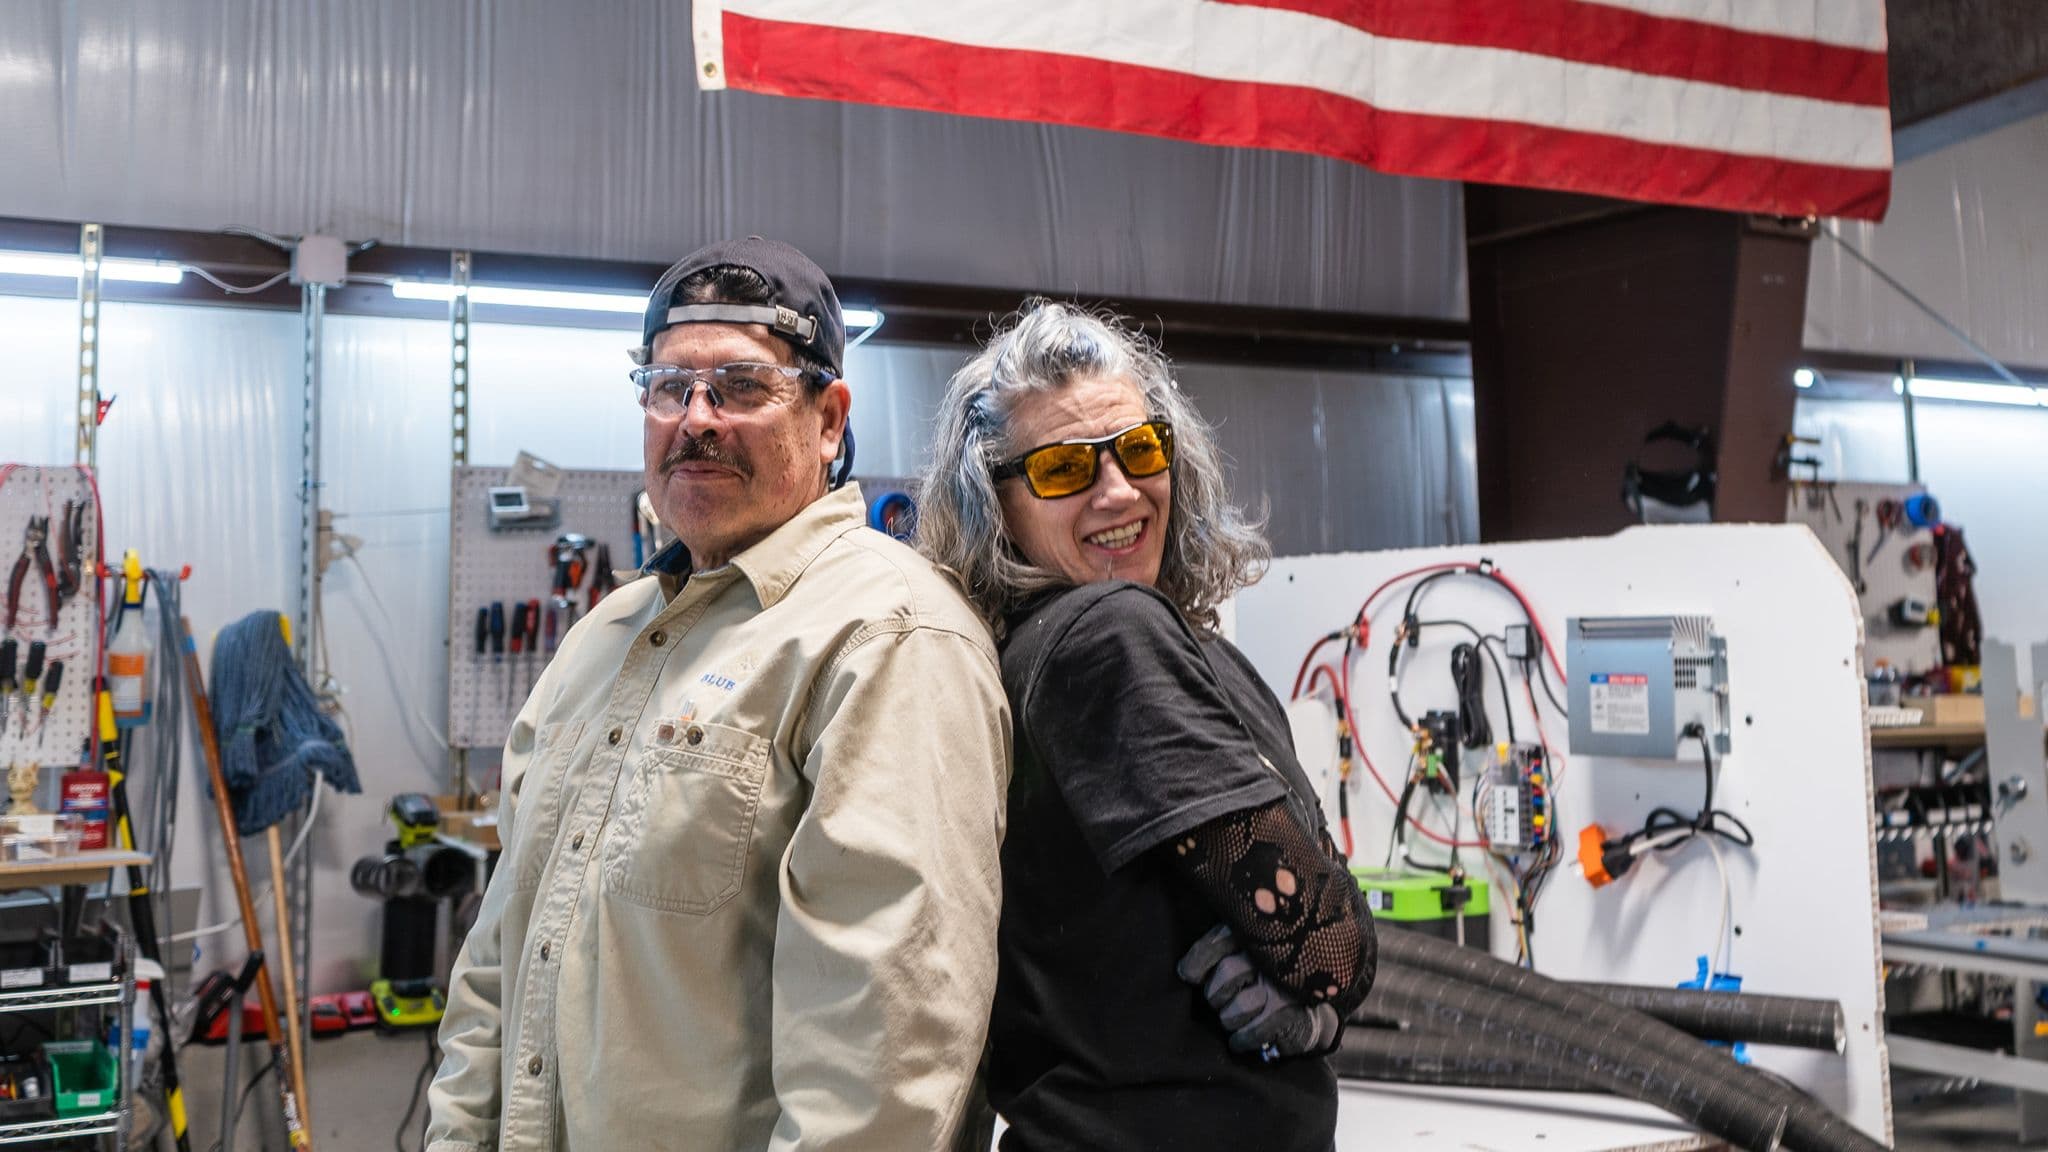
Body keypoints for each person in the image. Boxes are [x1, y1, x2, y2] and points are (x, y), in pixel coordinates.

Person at [427, 238, 1011, 1151]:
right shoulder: (602, 638)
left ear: (828, 420)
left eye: (741, 387)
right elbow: (498, 961)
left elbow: (882, 1062)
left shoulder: (888, 638)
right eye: (669, 386)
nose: (696, 418)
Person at [917, 301, 1376, 1152]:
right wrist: (1321, 985)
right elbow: (1330, 950)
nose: (1119, 491)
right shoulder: (1106, 634)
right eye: (1062, 469)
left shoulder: (1136, 644)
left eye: (1138, 450)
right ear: (996, 506)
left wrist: (1313, 989)